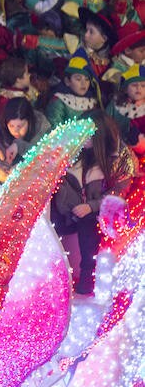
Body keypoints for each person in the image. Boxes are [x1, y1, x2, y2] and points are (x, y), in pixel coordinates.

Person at [50, 111, 135, 295]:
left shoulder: (117, 160)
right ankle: (53, 279)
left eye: (86, 133)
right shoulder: (72, 153)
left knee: (88, 223)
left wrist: (91, 206)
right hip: (67, 211)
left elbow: (117, 195)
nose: (82, 137)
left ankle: (87, 277)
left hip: (96, 216)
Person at [0, 97, 52, 181]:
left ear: (29, 121)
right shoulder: (0, 130)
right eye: (11, 126)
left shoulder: (42, 127)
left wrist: (18, 146)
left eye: (20, 126)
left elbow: (43, 153)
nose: (15, 131)